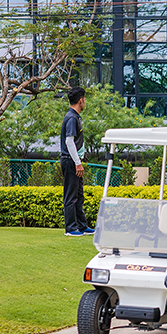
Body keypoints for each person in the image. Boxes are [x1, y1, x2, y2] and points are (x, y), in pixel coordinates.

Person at [60, 87, 93, 236]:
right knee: (71, 195)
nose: (85, 102)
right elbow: (69, 141)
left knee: (79, 195)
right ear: (81, 100)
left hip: (74, 161)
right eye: (84, 99)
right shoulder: (72, 117)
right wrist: (77, 162)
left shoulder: (75, 116)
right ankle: (71, 228)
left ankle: (82, 226)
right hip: (70, 161)